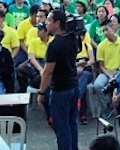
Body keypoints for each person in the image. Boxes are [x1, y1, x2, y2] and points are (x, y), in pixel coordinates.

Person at [37, 10, 80, 150]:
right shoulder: (73, 38)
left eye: (49, 20)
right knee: (71, 124)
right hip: (74, 87)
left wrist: (42, 92)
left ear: (57, 23)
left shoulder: (54, 45)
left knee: (62, 128)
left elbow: (47, 72)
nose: (46, 23)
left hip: (61, 91)